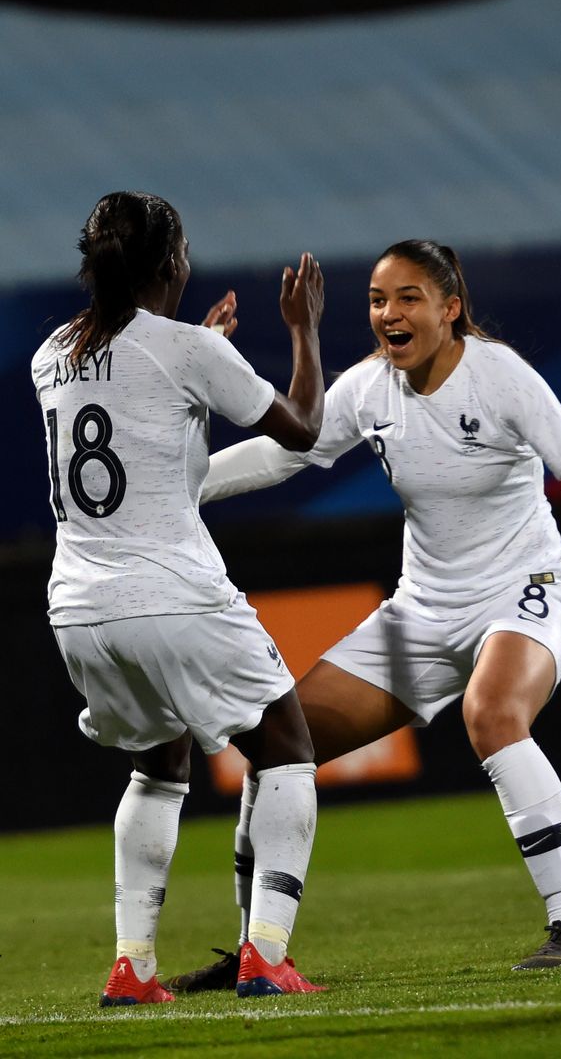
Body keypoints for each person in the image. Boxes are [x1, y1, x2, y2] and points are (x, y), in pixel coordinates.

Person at [162, 239, 561, 990]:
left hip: (527, 588)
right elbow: (284, 455)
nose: (389, 313)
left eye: (409, 298)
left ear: (451, 309)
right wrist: (173, 493)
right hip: (423, 612)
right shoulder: (366, 389)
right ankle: (256, 949)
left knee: (492, 714)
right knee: (276, 743)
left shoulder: (500, 376)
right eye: (378, 301)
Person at [31, 190, 329, 1005]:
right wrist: (303, 327)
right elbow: (302, 425)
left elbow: (148, 428)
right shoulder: (187, 351)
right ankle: (266, 955)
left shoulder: (49, 352)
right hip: (173, 593)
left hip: (79, 609)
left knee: (158, 766)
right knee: (287, 748)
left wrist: (200, 350)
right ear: (171, 265)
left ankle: (134, 966)